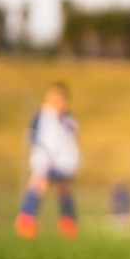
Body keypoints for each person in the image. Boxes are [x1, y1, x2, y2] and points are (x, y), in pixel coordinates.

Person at [15, 82, 81, 239]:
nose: (57, 102)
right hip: (44, 158)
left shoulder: (67, 117)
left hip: (62, 160)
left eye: (60, 99)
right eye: (54, 98)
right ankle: (25, 219)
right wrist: (42, 151)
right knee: (39, 184)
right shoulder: (42, 115)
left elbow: (74, 132)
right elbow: (31, 134)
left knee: (63, 188)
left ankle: (68, 221)